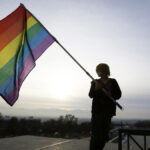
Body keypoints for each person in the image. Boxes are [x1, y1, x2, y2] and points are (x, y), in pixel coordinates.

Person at [89, 63, 122, 150]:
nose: (97, 72)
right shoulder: (95, 82)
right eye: (97, 71)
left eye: (98, 70)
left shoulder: (113, 82)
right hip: (96, 111)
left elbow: (118, 95)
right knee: (95, 134)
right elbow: (91, 95)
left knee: (103, 134)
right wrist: (96, 88)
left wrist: (110, 94)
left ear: (104, 71)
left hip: (108, 111)